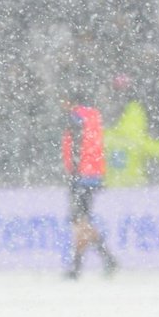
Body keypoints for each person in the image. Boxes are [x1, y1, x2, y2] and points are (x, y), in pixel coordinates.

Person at [61, 94, 118, 279]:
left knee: (80, 222)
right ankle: (90, 264)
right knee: (82, 222)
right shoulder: (94, 115)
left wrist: (74, 172)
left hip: (81, 177)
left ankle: (92, 263)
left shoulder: (76, 116)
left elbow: (77, 146)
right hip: (94, 174)